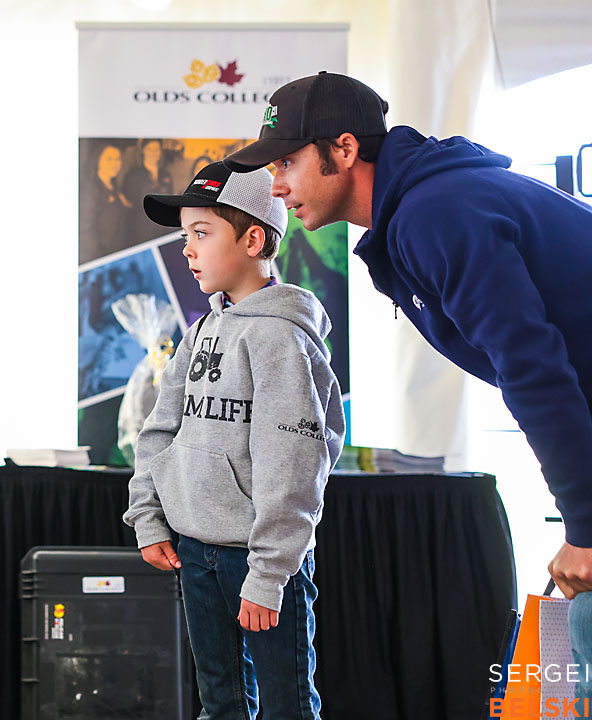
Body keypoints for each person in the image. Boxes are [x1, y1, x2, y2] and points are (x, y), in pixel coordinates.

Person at [223, 70, 592, 693]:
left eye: (287, 162)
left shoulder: (435, 215)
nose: (276, 185)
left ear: (344, 149)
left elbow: (533, 368)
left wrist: (585, 525)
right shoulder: (424, 208)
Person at [122, 161, 345, 719]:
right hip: (193, 552)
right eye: (184, 237)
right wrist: (149, 517)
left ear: (252, 239)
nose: (187, 251)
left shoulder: (281, 338)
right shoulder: (200, 331)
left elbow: (295, 465)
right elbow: (160, 429)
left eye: (201, 234)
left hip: (262, 561)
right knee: (219, 704)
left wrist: (269, 574)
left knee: (286, 707)